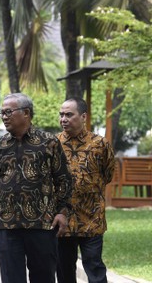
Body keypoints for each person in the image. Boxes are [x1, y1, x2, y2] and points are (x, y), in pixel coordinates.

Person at [0, 93, 72, 283]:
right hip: (6, 226)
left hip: (43, 225)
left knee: (44, 278)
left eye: (8, 112)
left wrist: (62, 212)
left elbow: (63, 179)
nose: (4, 116)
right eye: (2, 113)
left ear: (26, 113)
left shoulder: (49, 142)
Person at [56, 97, 116, 283]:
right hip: (62, 219)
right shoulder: (53, 143)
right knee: (64, 270)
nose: (63, 119)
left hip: (92, 217)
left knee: (95, 268)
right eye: (61, 115)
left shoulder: (100, 144)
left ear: (83, 116)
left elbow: (108, 174)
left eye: (69, 114)